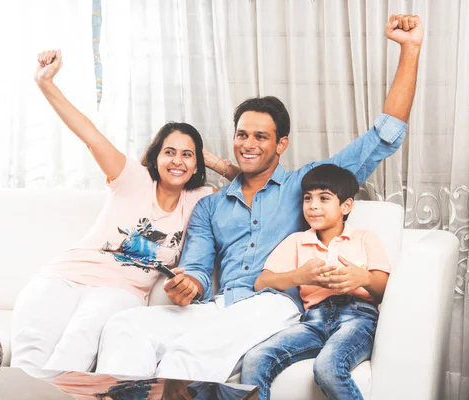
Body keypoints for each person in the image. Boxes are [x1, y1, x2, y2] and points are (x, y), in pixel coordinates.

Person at [95, 14, 423, 382]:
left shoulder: (305, 186)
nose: (248, 145)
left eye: (261, 137)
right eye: (241, 135)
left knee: (187, 357)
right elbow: (199, 268)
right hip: (221, 305)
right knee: (125, 326)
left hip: (273, 304)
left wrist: (409, 49)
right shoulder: (210, 205)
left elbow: (383, 136)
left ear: (281, 144)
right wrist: (190, 284)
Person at [10, 50, 238, 373]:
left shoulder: (201, 199)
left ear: (196, 164)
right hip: (64, 275)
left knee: (74, 351)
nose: (177, 161)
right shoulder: (133, 177)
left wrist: (212, 159)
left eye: (188, 155)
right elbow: (89, 134)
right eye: (169, 152)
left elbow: (254, 186)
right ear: (155, 156)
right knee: (27, 361)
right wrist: (45, 83)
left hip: (121, 292)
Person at [240, 164, 389, 400]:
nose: (313, 205)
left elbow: (383, 289)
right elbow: (262, 282)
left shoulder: (364, 238)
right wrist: (301, 276)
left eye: (324, 198)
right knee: (255, 359)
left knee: (328, 366)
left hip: (358, 318)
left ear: (346, 206)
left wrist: (364, 278)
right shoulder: (297, 241)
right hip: (313, 321)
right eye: (307, 198)